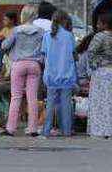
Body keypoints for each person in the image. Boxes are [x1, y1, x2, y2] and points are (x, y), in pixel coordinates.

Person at [0, 4, 44, 137]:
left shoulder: (16, 30)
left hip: (18, 64)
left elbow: (5, 45)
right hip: (34, 65)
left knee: (16, 97)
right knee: (32, 97)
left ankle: (11, 128)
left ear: (23, 15)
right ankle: (33, 129)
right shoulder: (41, 31)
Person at [86, 12, 112, 138]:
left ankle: (100, 129)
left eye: (98, 23)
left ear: (104, 24)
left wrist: (93, 66)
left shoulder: (99, 37)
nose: (96, 25)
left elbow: (90, 53)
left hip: (102, 72)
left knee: (99, 102)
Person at [40, 9, 76, 137]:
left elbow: (43, 56)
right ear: (64, 20)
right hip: (66, 75)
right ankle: (66, 131)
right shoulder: (69, 36)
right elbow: (73, 54)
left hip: (51, 75)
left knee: (49, 104)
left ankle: (46, 130)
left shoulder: (47, 36)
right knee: (66, 105)